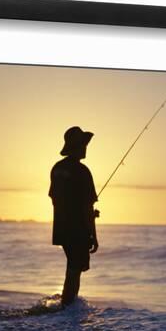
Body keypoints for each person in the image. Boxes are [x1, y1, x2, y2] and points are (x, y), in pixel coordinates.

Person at [48, 126, 99, 307]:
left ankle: (67, 305)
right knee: (75, 269)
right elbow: (87, 206)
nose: (85, 148)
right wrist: (93, 234)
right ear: (77, 147)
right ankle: (67, 308)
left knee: (72, 267)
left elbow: (55, 199)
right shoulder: (82, 171)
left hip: (61, 229)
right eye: (83, 145)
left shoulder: (57, 169)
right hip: (78, 229)